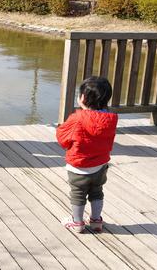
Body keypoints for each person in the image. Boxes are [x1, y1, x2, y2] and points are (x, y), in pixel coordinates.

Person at [56, 76, 118, 233]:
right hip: (100, 165)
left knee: (78, 193)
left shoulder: (77, 118)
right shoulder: (111, 118)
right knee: (97, 191)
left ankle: (77, 222)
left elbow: (63, 139)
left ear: (82, 98)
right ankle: (96, 220)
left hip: (79, 166)